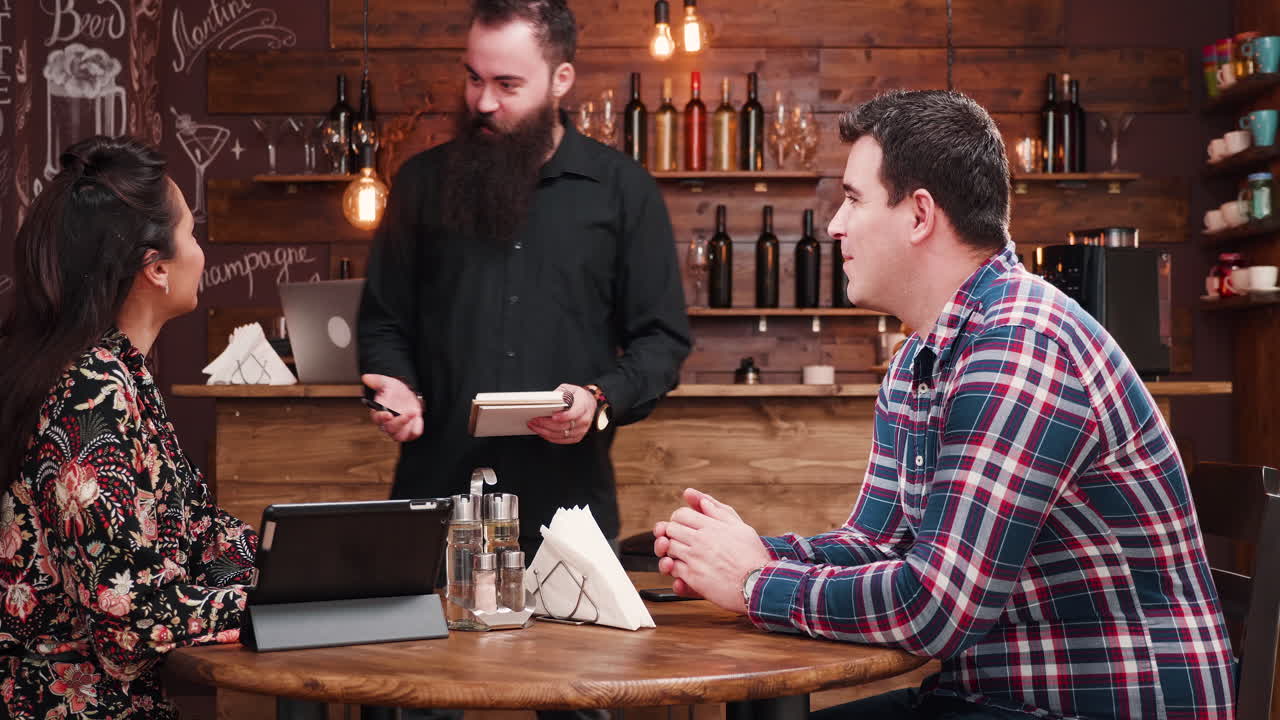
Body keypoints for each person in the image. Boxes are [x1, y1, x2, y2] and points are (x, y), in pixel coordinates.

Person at [653, 91, 1236, 719]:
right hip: (994, 696)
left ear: (919, 215)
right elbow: (880, 544)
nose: (834, 226)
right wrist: (748, 552)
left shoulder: (1021, 344)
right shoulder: (920, 358)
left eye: (853, 199)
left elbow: (934, 606)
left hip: (1105, 702)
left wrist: (750, 583)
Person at [357, 0, 691, 560]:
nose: (484, 102)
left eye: (508, 84)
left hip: (566, 512)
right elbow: (382, 323)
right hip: (435, 501)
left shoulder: (621, 191)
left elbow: (662, 341)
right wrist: (392, 385)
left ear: (561, 79)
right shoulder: (420, 184)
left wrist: (599, 398)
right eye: (473, 78)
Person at [0, 136, 257, 720]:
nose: (202, 253)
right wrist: (272, 605)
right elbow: (130, 616)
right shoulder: (90, 395)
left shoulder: (118, 376)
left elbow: (194, 534)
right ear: (157, 268)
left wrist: (304, 570)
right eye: (191, 234)